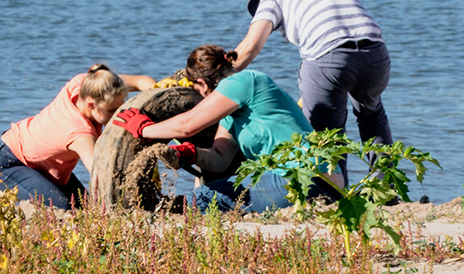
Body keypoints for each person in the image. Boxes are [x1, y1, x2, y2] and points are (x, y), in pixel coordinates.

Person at [113, 44, 343, 213]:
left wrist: (143, 129)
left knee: (202, 198)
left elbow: (186, 125)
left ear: (202, 83)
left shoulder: (244, 81)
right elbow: (220, 158)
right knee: (209, 194)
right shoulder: (233, 113)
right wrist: (191, 154)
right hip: (321, 183)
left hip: (305, 178)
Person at [234, 0, 393, 182]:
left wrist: (218, 77)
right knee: (372, 116)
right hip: (376, 54)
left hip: (329, 57)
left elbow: (249, 48)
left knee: (326, 133)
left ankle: (336, 194)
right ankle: (385, 188)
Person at [0, 65, 156, 210]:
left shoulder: (87, 84)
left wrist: (161, 92)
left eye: (121, 107)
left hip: (44, 164)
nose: (118, 114)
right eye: (112, 111)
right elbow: (101, 173)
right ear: (91, 106)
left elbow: (141, 81)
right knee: (65, 210)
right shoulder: (80, 133)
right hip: (9, 161)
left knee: (87, 208)